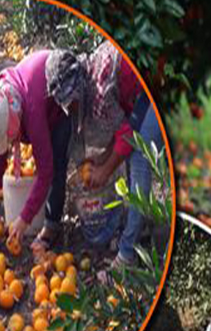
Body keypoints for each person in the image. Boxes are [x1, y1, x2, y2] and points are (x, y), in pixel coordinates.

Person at [0, 49, 88, 255]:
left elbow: (45, 171)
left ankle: (52, 225)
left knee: (56, 164)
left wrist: (23, 219)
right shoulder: (1, 98)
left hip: (59, 102)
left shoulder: (32, 111)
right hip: (39, 92)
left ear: (18, 120)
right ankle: (45, 217)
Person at [83, 41, 163, 268]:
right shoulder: (95, 72)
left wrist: (106, 171)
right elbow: (123, 126)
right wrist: (103, 158)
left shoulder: (98, 91)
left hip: (159, 79)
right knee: (131, 150)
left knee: (139, 153)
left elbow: (128, 135)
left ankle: (127, 255)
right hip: (145, 85)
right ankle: (140, 225)